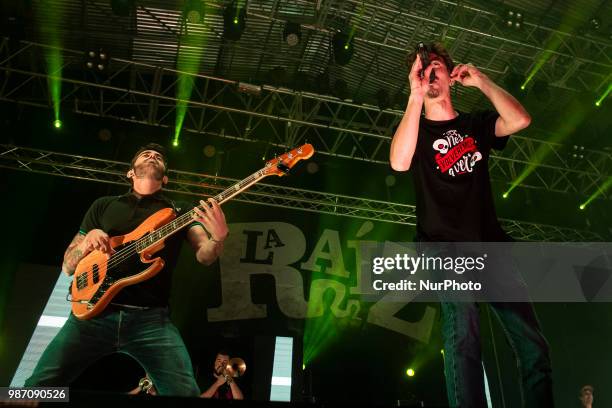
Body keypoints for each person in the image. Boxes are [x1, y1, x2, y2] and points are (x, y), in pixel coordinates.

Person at [390, 43, 553, 407]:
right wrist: (415, 96)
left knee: (533, 345)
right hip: (444, 247)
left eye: (436, 69)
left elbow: (520, 120)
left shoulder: (474, 124)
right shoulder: (416, 130)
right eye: (423, 70)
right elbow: (399, 162)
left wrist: (481, 80)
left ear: (450, 75)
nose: (430, 75)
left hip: (491, 246)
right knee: (464, 335)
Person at [25, 143, 229, 397]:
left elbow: (204, 255)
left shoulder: (180, 212)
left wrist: (218, 239)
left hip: (151, 320)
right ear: (130, 173)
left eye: (158, 157)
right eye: (146, 154)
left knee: (184, 394)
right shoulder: (103, 205)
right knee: (33, 390)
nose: (153, 156)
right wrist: (88, 242)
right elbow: (68, 265)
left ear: (165, 178)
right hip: (92, 316)